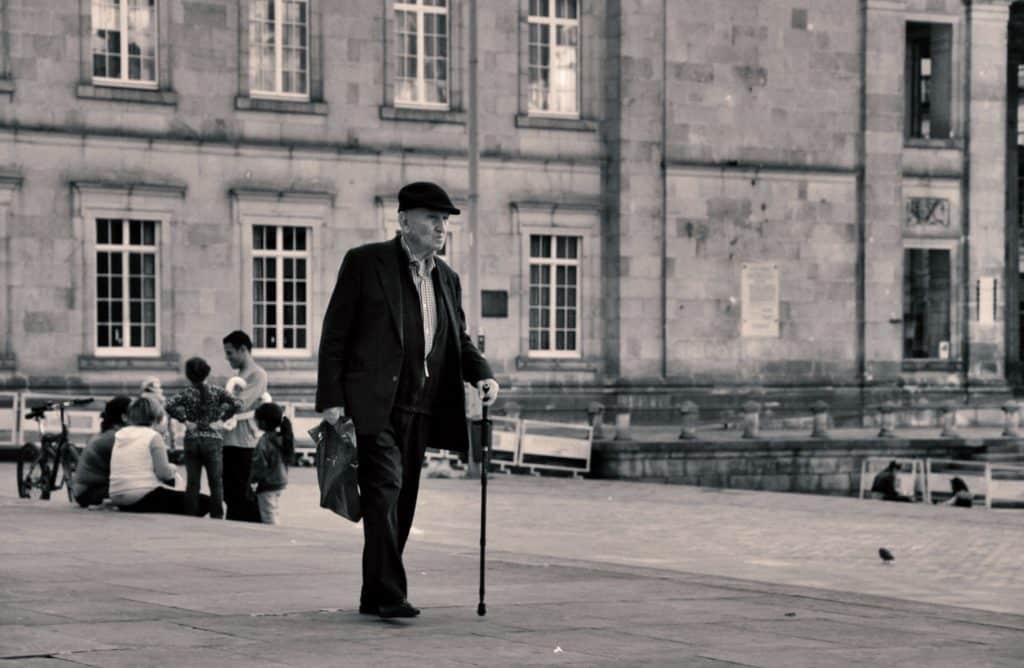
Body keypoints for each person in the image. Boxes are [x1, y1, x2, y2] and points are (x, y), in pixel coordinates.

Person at [316, 181, 499, 619]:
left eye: (444, 220)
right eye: (432, 218)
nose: (441, 227)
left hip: (422, 405)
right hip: (374, 404)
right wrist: (331, 398)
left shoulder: (447, 278)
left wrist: (483, 375)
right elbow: (335, 333)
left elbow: (458, 339)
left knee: (402, 500)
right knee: (386, 489)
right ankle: (390, 594)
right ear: (403, 221)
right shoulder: (366, 262)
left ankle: (373, 593)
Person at [165, 357, 243, 518]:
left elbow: (168, 404)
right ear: (207, 372)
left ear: (188, 375)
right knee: (215, 482)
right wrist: (221, 420)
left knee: (193, 483)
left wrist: (185, 420)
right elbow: (237, 404)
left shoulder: (186, 393)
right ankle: (217, 516)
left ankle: (191, 515)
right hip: (213, 439)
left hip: (192, 439)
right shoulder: (217, 391)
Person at [108, 395, 210, 515]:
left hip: (116, 495)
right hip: (141, 495)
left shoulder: (120, 434)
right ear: (157, 416)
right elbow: (164, 474)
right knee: (206, 501)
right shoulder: (153, 436)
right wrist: (173, 468)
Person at [221, 330, 269, 522]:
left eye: (230, 352)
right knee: (231, 493)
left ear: (243, 349)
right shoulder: (240, 375)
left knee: (242, 494)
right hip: (231, 441)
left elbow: (239, 404)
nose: (227, 358)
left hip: (246, 443)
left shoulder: (257, 374)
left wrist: (221, 405)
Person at [70, 395, 132, 508]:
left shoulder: (108, 434)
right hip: (90, 492)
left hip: (86, 490)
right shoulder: (114, 437)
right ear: (124, 417)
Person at [249, 402, 294, 525]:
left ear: (263, 422)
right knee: (273, 511)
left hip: (267, 484)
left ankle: (273, 535)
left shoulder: (264, 441)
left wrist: (253, 483)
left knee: (268, 516)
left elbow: (259, 466)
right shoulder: (282, 437)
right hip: (280, 482)